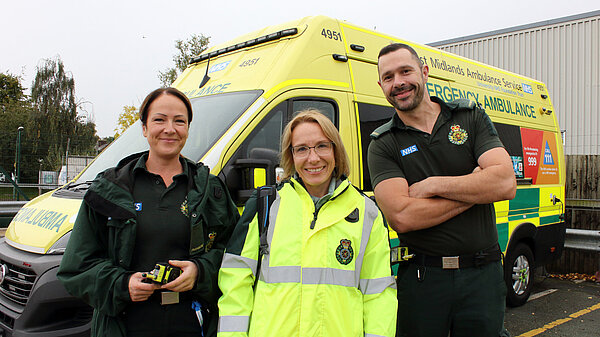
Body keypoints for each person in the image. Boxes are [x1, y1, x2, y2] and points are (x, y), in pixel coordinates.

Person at [57, 87, 239, 337]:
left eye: (179, 121)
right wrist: (121, 285)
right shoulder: (109, 189)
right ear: (144, 128)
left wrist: (200, 272)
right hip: (125, 326)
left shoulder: (211, 190)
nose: (170, 129)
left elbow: (236, 256)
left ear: (187, 129)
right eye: (159, 119)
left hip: (192, 323)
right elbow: (75, 268)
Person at [368, 43, 517, 337]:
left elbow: (504, 182)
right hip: (424, 280)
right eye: (388, 77)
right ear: (381, 85)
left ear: (424, 73)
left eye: (405, 71)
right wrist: (475, 190)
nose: (398, 82)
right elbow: (403, 217)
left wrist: (435, 185)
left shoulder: (469, 117)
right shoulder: (383, 143)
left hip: (482, 277)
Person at [217, 109, 397, 337]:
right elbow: (236, 281)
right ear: (290, 156)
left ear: (336, 150)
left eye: (322, 145)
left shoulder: (366, 211)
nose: (313, 158)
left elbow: (379, 294)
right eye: (301, 149)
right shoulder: (266, 205)